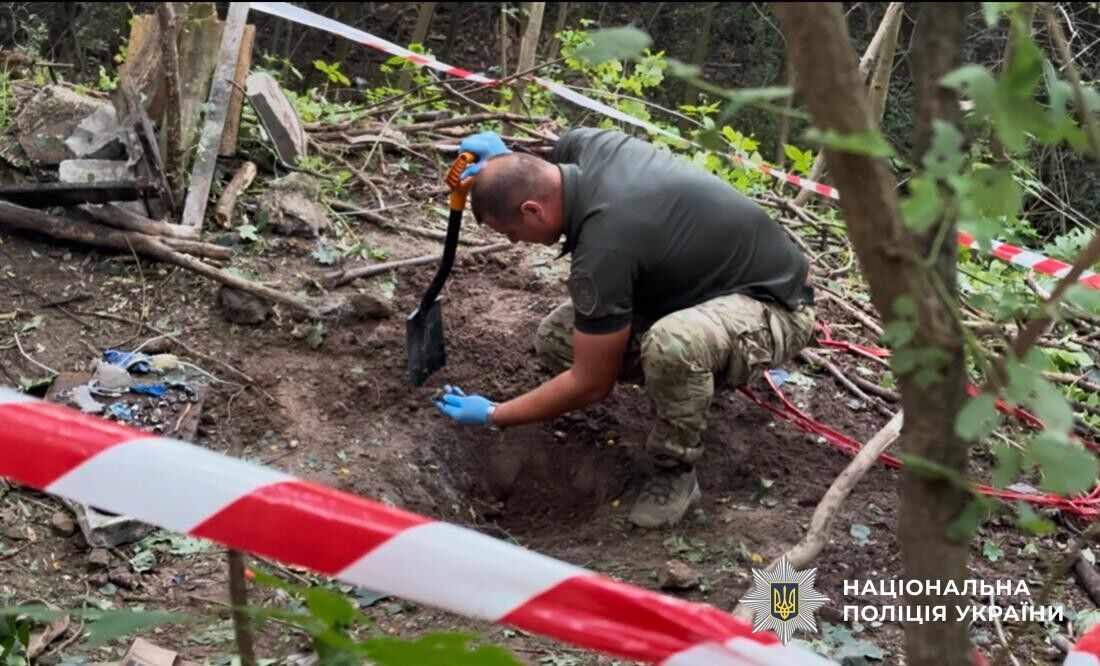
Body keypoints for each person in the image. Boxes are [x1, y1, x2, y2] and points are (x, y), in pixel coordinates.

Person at [431, 127, 817, 529]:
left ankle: (675, 471)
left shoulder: (604, 250)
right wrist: (502, 161)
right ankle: (689, 385)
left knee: (672, 346)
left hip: (772, 304)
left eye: (511, 232)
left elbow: (590, 383)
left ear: (533, 210)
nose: (514, 242)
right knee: (557, 338)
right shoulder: (585, 145)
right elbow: (531, 170)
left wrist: (495, 414)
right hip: (703, 285)